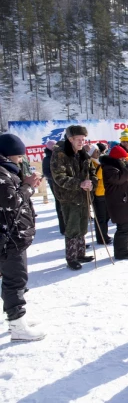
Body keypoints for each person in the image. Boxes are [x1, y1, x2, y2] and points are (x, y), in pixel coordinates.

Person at [0, 134, 45, 342]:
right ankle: (17, 326)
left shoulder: (6, 171)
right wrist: (28, 186)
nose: (21, 161)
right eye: (19, 157)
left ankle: (16, 318)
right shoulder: (1, 173)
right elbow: (11, 202)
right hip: (9, 238)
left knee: (15, 279)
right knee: (15, 280)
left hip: (13, 235)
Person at [51, 125, 98, 271]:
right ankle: (71, 258)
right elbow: (59, 177)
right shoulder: (60, 154)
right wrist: (80, 184)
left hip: (84, 196)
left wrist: (92, 183)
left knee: (83, 225)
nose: (81, 142)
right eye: (78, 139)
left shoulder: (83, 153)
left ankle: (81, 253)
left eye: (83, 139)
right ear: (70, 139)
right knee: (72, 228)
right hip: (69, 197)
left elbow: (92, 172)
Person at [100, 146, 128, 260]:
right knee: (123, 228)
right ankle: (120, 252)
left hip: (125, 201)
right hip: (119, 202)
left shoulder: (120, 165)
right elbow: (119, 179)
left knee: (127, 226)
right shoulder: (109, 168)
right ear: (117, 158)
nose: (125, 160)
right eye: (123, 158)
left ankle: (125, 249)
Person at [90, 146, 112, 245]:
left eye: (98, 150)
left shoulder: (98, 161)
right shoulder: (91, 163)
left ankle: (104, 235)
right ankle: (101, 238)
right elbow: (98, 176)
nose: (98, 152)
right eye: (95, 151)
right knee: (100, 217)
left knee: (106, 216)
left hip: (105, 192)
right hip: (98, 193)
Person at [42, 140, 65, 235]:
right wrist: (58, 178)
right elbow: (46, 173)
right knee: (60, 204)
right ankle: (63, 228)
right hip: (55, 184)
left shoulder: (59, 155)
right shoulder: (47, 159)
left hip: (64, 184)